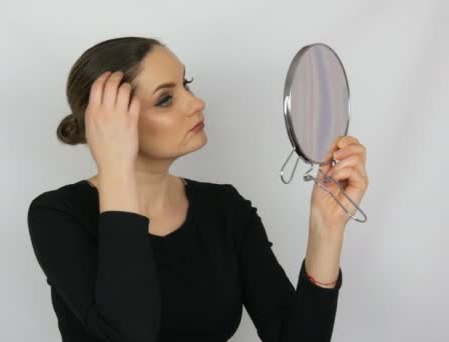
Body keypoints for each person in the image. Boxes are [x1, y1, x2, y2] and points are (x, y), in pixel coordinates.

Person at [27, 36, 369, 342]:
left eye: (187, 84)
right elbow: (129, 332)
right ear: (108, 122)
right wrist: (116, 168)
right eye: (165, 99)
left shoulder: (224, 209)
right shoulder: (59, 215)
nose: (196, 103)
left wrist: (326, 230)